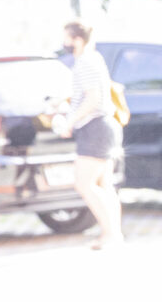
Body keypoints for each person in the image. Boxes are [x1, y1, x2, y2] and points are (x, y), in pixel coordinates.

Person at [53, 21, 125, 251]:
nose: (64, 43)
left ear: (76, 40)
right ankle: (113, 233)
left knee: (84, 183)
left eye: (66, 38)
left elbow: (92, 99)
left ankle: (110, 233)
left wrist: (69, 122)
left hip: (94, 128)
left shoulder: (85, 62)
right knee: (104, 183)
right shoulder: (95, 59)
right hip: (105, 126)